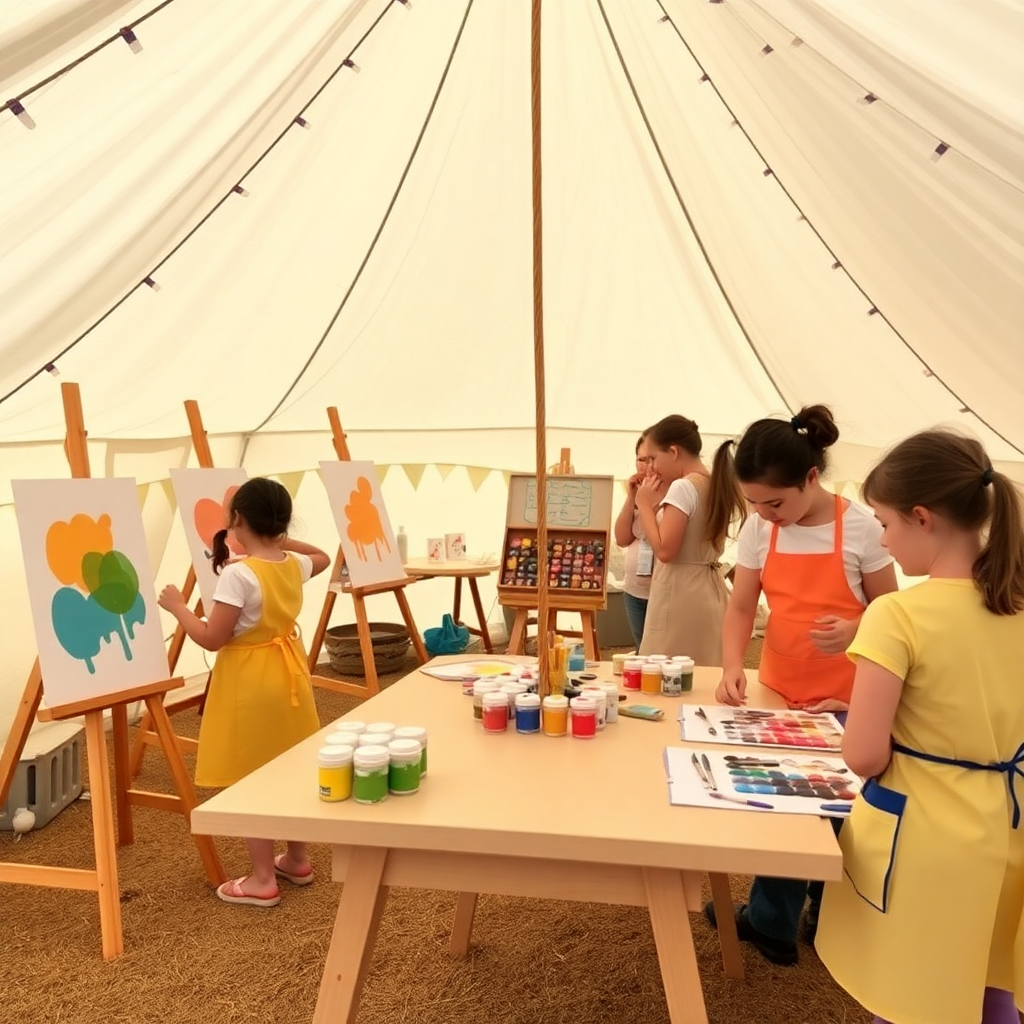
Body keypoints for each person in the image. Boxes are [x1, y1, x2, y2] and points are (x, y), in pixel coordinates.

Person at [816, 430, 1024, 1024]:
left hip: (926, 844)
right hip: (1010, 832)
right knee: (993, 989)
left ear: (922, 518)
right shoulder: (1018, 607)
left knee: (912, 997)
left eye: (884, 523)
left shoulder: (897, 615)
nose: (881, 539)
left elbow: (862, 754)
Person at [706, 404, 898, 964]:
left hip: (848, 692)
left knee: (841, 809)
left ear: (811, 478)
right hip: (779, 686)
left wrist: (858, 625)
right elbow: (742, 605)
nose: (766, 514)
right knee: (785, 806)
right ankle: (776, 920)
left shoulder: (861, 525)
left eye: (775, 502)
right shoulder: (760, 530)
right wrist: (733, 664)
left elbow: (892, 611)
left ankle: (819, 917)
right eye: (755, 504)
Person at [158, 478, 330, 907]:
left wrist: (179, 607)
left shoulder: (238, 574)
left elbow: (212, 638)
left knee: (253, 779)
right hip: (289, 680)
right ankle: (296, 858)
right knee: (288, 770)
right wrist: (277, 538)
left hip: (249, 685)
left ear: (237, 519)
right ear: (282, 523)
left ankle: (261, 880)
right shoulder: (291, 563)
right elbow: (322, 556)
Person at [635, 414, 745, 665]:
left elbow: (665, 550)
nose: (651, 467)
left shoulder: (683, 488)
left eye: (653, 458)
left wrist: (645, 507)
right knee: (704, 670)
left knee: (668, 674)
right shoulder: (713, 483)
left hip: (680, 591)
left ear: (673, 451)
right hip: (708, 589)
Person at [613, 434, 653, 647]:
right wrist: (631, 497)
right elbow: (621, 537)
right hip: (634, 590)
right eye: (640, 459)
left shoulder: (673, 492)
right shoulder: (638, 493)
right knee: (641, 648)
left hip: (661, 591)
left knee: (658, 651)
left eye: (650, 459)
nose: (644, 465)